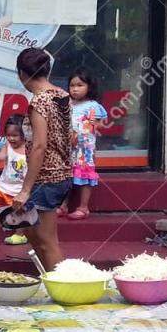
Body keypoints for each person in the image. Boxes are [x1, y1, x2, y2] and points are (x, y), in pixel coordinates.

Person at [12, 47, 72, 269]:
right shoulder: (61, 95)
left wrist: (26, 188)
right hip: (62, 174)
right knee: (32, 233)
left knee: (47, 241)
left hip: (47, 177)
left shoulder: (39, 102)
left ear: (21, 73)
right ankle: (50, 280)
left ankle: (65, 287)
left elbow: (39, 146)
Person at [62, 67, 110, 220]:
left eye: (80, 85)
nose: (75, 89)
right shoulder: (67, 104)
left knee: (84, 176)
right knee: (65, 176)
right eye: (72, 85)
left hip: (84, 149)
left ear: (89, 87)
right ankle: (63, 205)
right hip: (67, 147)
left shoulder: (92, 106)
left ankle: (83, 207)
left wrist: (95, 125)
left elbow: (102, 123)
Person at [0, 115, 29, 245]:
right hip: (4, 183)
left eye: (15, 135)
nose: (11, 138)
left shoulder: (30, 149)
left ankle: (20, 235)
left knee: (18, 211)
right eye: (8, 135)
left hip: (20, 187)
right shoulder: (7, 146)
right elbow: (1, 156)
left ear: (24, 134)